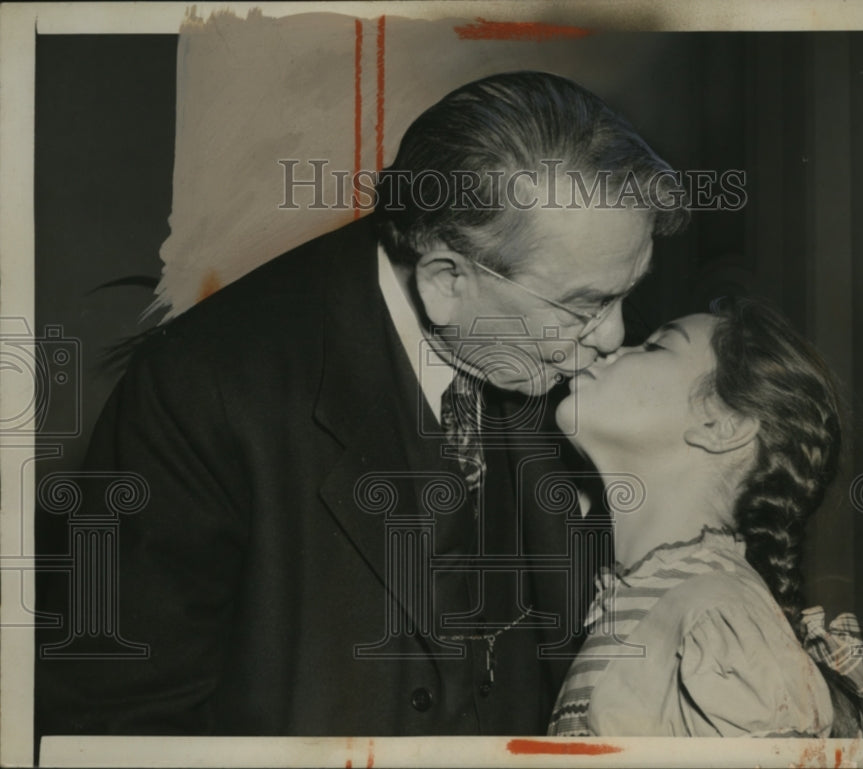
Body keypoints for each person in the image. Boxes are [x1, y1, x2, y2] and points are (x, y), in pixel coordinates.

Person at [35, 71, 688, 737]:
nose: (612, 337)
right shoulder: (205, 390)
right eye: (585, 306)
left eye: (624, 294)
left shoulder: (551, 363)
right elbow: (115, 723)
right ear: (445, 281)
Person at [548, 298, 863, 737]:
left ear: (722, 426)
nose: (612, 348)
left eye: (655, 348)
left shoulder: (718, 616)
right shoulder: (650, 598)